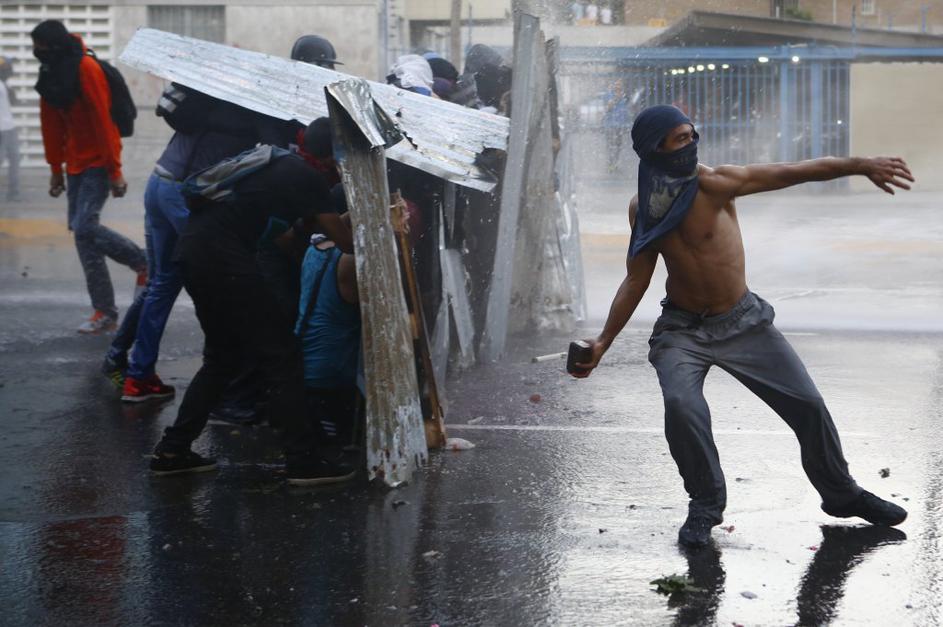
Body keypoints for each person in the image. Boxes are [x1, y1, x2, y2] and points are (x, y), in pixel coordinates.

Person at [573, 104, 913, 548]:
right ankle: (705, 506)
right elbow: (637, 276)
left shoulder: (715, 184)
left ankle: (841, 494)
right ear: (654, 149)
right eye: (680, 139)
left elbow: (793, 171)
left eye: (692, 135)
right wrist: (603, 342)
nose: (691, 144)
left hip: (744, 322)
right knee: (682, 406)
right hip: (682, 330)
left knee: (808, 406)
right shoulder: (645, 208)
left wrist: (860, 164)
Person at [149, 144, 354, 485]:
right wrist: (370, 224)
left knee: (222, 358)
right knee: (283, 357)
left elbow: (286, 242)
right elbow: (346, 244)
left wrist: (314, 223)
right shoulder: (310, 179)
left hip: (193, 253)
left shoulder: (276, 164)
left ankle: (173, 451)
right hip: (225, 261)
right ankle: (303, 460)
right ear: (332, 159)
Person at [102, 83, 293, 401]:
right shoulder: (252, 108)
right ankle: (148, 377)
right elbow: (277, 152)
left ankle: (120, 358)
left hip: (159, 181)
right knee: (215, 277)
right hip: (185, 194)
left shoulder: (209, 93)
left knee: (162, 282)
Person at [31, 20, 147, 334]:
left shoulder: (87, 69)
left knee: (85, 225)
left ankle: (143, 261)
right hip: (75, 165)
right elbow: (51, 125)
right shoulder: (51, 73)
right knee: (83, 235)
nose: (37, 53)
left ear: (52, 45)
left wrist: (115, 171)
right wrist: (56, 169)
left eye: (40, 47)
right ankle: (105, 312)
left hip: (99, 161)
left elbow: (103, 121)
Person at [296, 226, 362, 455]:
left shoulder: (315, 248)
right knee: (332, 448)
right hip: (333, 373)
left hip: (308, 363)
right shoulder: (350, 260)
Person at [0, 56, 21, 202]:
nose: (11, 70)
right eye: (8, 67)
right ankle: (13, 192)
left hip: (9, 127)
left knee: (14, 159)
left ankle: (13, 192)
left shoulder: (5, 85)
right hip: (2, 129)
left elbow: (12, 102)